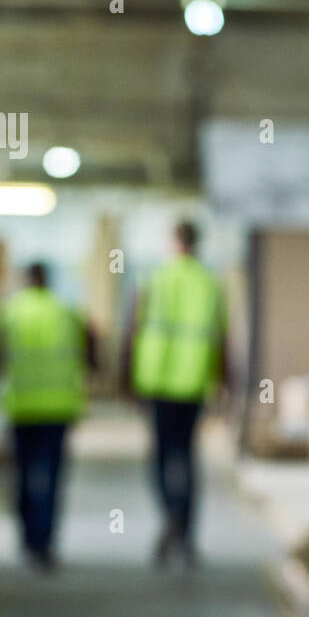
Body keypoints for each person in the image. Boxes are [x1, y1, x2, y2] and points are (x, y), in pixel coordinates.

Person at [127, 221, 226, 569]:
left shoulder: (155, 278)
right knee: (186, 456)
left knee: (160, 456)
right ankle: (186, 534)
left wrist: (129, 380)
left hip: (157, 381)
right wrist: (223, 382)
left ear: (174, 242)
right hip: (193, 382)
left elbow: (134, 328)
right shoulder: (209, 283)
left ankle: (169, 514)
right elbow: (222, 338)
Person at [0, 262, 94, 573]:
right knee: (51, 476)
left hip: (21, 407)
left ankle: (26, 538)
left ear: (25, 281)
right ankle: (45, 543)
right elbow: (91, 354)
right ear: (48, 281)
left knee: (22, 475)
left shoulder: (9, 312)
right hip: (58, 408)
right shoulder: (67, 311)